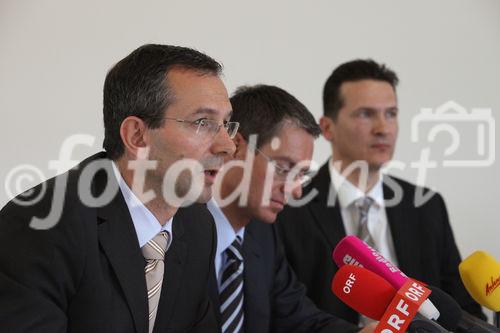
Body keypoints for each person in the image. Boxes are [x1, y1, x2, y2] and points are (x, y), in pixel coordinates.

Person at [0, 44, 238, 332]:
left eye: (225, 124)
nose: (228, 145)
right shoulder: (41, 223)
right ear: (137, 136)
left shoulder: (198, 226)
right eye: (203, 122)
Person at [277, 59, 485, 325]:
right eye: (366, 114)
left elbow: (463, 311)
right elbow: (286, 315)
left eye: (391, 114)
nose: (383, 128)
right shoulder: (289, 207)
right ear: (327, 128)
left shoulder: (426, 206)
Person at [206, 84, 375, 333]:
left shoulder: (263, 236)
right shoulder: (174, 227)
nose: (296, 191)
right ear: (236, 146)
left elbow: (300, 320)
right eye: (284, 168)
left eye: (302, 175)